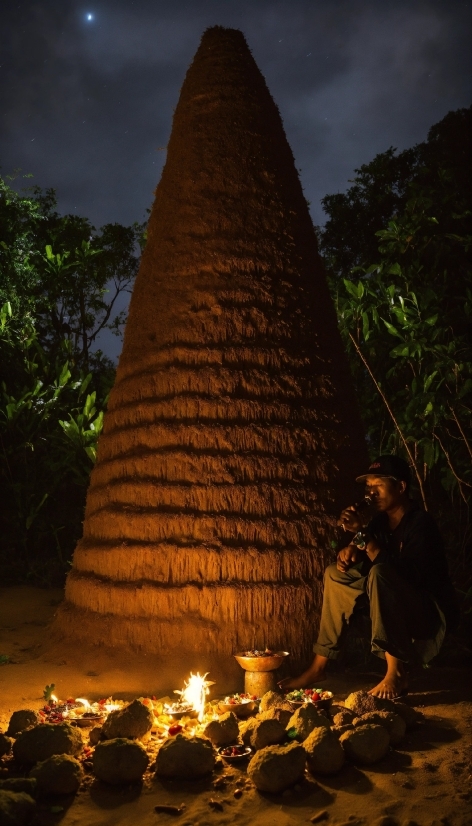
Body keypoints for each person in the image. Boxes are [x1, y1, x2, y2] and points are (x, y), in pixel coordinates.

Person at [279, 455, 458, 700]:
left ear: (401, 487)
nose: (371, 493)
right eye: (368, 488)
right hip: (388, 601)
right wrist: (349, 551)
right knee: (335, 573)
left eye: (378, 486)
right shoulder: (379, 523)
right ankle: (318, 668)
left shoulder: (420, 524)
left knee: (380, 573)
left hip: (426, 613)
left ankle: (395, 673)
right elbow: (362, 551)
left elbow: (406, 575)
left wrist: (363, 534)